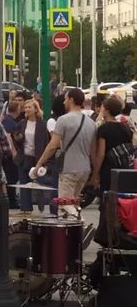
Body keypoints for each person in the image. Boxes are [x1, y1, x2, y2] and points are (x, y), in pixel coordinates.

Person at [33, 87, 97, 215]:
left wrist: (39, 164)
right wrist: (96, 173)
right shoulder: (91, 123)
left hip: (69, 168)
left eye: (66, 98)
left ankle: (75, 225)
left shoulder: (63, 120)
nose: (64, 102)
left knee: (65, 204)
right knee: (74, 202)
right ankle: (75, 229)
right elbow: (93, 151)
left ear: (71, 100)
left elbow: (52, 145)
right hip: (84, 169)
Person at [91, 95, 134, 197]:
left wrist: (96, 173)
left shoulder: (104, 129)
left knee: (106, 199)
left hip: (108, 169)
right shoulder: (126, 128)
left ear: (106, 110)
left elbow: (101, 153)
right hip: (123, 168)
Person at [14, 99, 51, 214]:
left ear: (36, 109)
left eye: (29, 107)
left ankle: (41, 205)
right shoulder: (21, 123)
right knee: (24, 184)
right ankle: (25, 208)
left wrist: (45, 161)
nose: (27, 109)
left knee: (37, 183)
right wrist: (17, 138)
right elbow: (16, 138)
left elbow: (46, 141)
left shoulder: (42, 124)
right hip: (24, 157)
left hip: (37, 158)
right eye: (25, 107)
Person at [2, 100, 22, 210]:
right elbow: (8, 136)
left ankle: (12, 199)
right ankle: (11, 201)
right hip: (10, 155)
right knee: (11, 177)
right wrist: (13, 150)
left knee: (11, 177)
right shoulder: (9, 121)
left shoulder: (8, 119)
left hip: (9, 154)